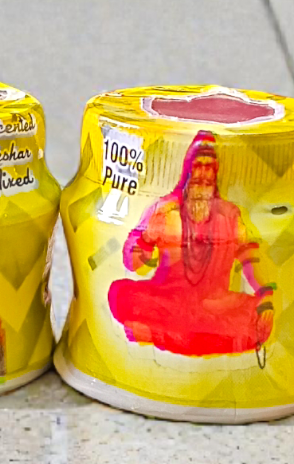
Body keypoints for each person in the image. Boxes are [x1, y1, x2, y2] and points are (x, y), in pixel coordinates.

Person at [108, 131, 274, 359]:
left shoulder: (229, 214)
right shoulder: (165, 210)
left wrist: (264, 294)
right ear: (188, 169)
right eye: (199, 165)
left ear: (216, 173)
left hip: (213, 304)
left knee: (257, 316)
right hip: (170, 301)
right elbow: (132, 263)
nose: (203, 174)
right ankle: (197, 337)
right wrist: (148, 237)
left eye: (210, 167)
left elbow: (250, 260)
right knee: (120, 293)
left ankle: (163, 335)